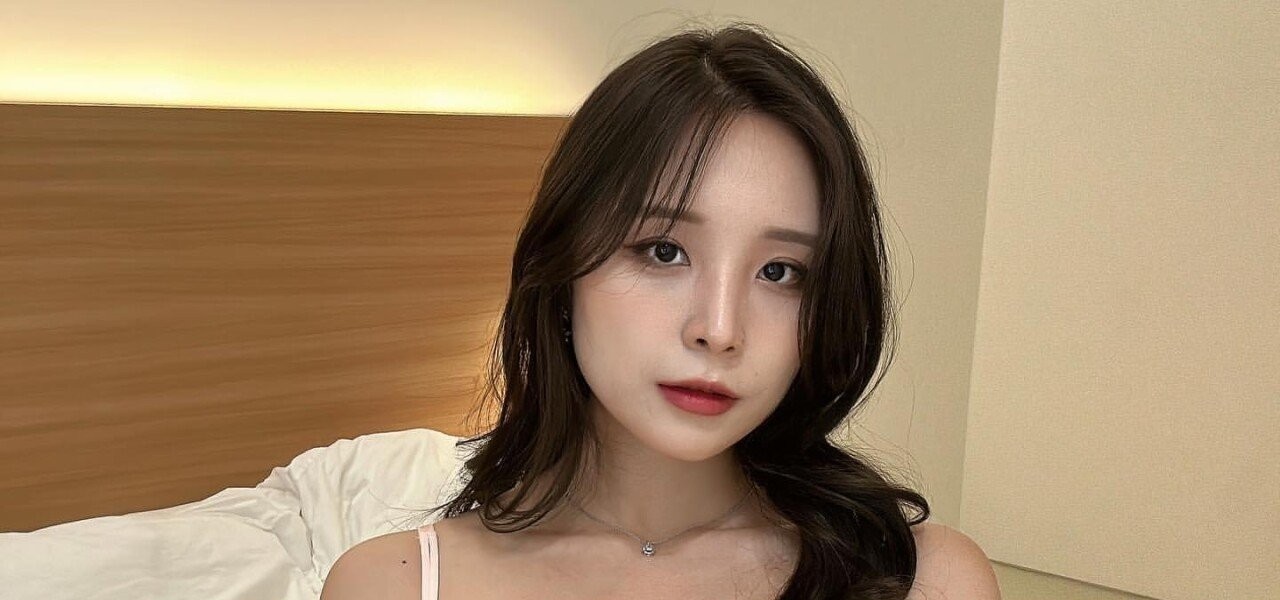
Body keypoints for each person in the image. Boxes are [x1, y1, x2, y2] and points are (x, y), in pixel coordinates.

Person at [321, 22, 1000, 600]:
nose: (719, 330)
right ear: (563, 267)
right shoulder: (394, 584)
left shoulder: (925, 581)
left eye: (780, 272)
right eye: (664, 252)